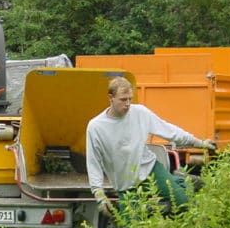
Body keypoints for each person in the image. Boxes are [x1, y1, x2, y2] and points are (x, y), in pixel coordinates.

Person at [86, 76, 217, 217]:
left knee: (183, 202)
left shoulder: (140, 113)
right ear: (110, 97)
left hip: (149, 169)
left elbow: (169, 131)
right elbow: (94, 163)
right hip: (125, 183)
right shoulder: (96, 127)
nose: (128, 104)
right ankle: (181, 181)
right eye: (123, 100)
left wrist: (199, 143)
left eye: (130, 99)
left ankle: (183, 184)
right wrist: (99, 195)